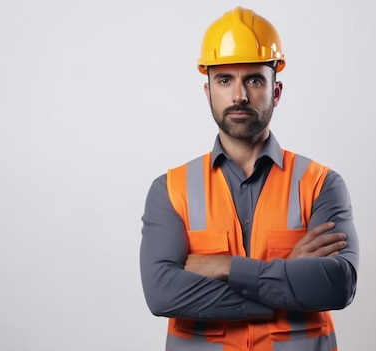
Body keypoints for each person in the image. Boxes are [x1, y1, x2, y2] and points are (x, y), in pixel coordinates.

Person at [140, 6, 359, 351]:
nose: (239, 95)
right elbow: (161, 293)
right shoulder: (170, 190)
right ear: (207, 91)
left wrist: (226, 266)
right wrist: (283, 280)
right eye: (224, 80)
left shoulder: (321, 184)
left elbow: (337, 285)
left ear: (276, 91)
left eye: (254, 80)